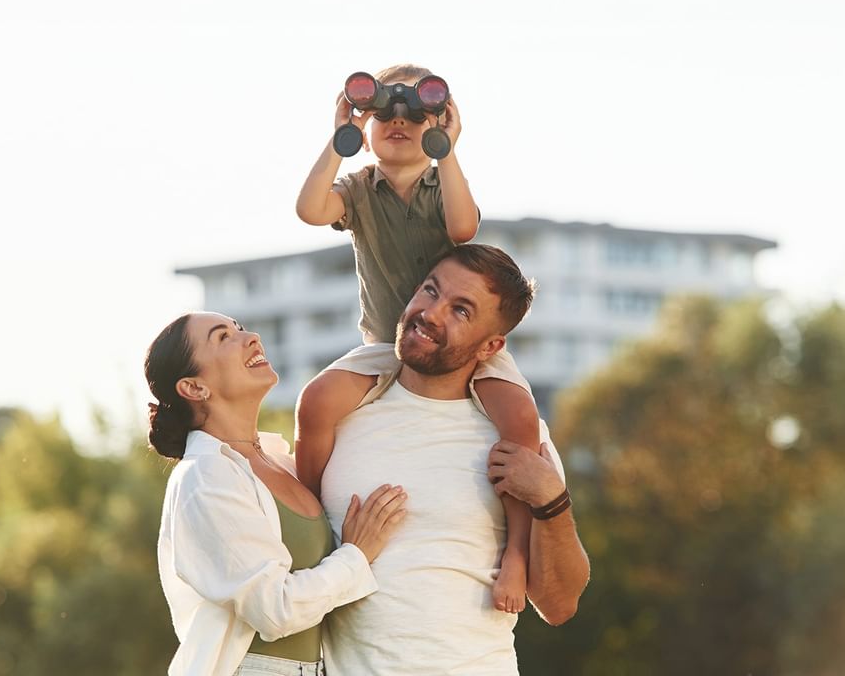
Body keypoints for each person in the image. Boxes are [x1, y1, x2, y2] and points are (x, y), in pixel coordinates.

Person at [294, 63, 542, 613]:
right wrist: (342, 137)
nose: (398, 121)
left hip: (456, 344)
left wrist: (447, 151)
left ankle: (519, 553)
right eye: (385, 112)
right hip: (388, 342)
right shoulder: (356, 189)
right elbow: (310, 210)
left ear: (437, 121)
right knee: (316, 402)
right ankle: (309, 529)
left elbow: (462, 229)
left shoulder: (441, 184)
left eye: (414, 112)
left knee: (522, 422)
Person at [318, 244, 590, 674]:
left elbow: (559, 605)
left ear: (491, 346)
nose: (432, 313)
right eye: (430, 291)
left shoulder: (512, 436)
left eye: (461, 311)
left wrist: (551, 500)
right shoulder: (341, 415)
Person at [145, 312, 409, 676]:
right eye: (223, 337)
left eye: (239, 328)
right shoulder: (205, 476)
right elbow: (274, 609)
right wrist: (357, 555)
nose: (250, 336)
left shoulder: (282, 461)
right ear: (194, 388)